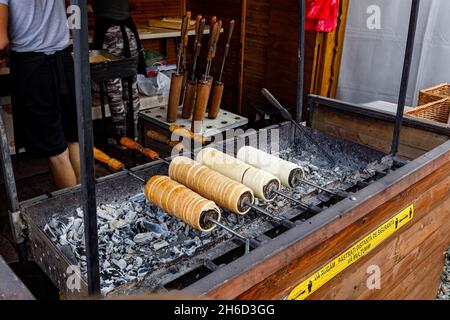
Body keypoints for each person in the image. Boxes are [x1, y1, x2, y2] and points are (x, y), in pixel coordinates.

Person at [0, 1, 81, 189]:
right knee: (73, 139)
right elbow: (75, 11)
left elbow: (1, 41)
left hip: (33, 69)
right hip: (65, 61)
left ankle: (74, 212)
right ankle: (89, 208)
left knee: (56, 151)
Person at [90, 0, 146, 144]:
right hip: (129, 30)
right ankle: (133, 134)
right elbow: (135, 5)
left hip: (110, 32)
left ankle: (121, 138)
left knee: (115, 90)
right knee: (131, 87)